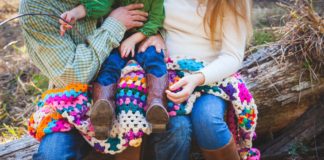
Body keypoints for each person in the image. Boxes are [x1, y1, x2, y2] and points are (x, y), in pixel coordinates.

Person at [139, 0, 254, 160]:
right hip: (168, 73)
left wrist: (198, 78)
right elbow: (144, 15)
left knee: (207, 120)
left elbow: (232, 56)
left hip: (212, 76)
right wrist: (155, 33)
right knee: (177, 126)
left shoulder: (232, 3)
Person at [58, 0, 168, 140]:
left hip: (143, 39)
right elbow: (98, 5)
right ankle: (102, 111)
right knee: (109, 66)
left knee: (155, 59)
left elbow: (155, 21)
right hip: (117, 40)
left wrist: (134, 40)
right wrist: (74, 14)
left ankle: (157, 105)